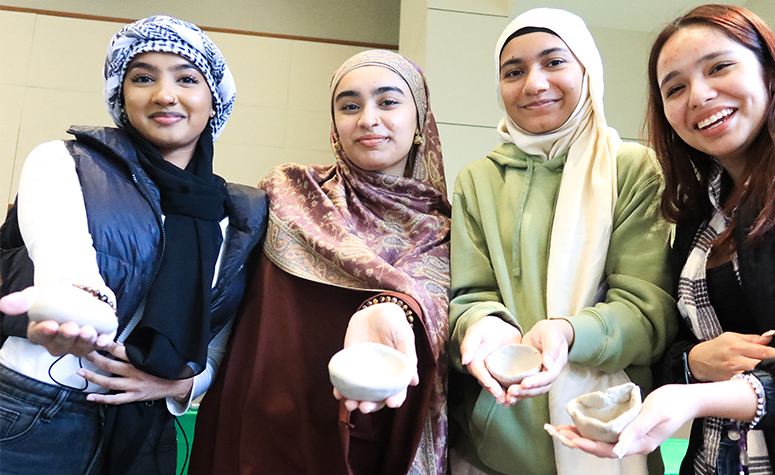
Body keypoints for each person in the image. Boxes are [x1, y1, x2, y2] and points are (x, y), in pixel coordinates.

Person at [546, 5, 775, 475]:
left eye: (719, 67)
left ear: (770, 69)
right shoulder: (698, 213)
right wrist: (693, 362)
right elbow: (673, 346)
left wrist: (702, 396)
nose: (700, 95)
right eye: (676, 88)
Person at [0, 15, 267, 475]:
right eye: (143, 77)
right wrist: (76, 306)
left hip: (144, 432)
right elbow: (63, 252)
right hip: (30, 409)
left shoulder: (241, 213)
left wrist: (179, 387)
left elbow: (220, 334)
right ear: (122, 96)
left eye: (187, 78)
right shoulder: (66, 162)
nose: (165, 94)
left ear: (214, 99)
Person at [188, 49, 451, 475]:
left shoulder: (443, 227)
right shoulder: (290, 191)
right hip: (262, 430)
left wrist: (395, 307)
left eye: (388, 102)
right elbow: (226, 297)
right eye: (350, 106)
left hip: (373, 439)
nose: (367, 119)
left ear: (419, 120)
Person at [448, 8, 677, 475]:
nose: (534, 84)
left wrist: (568, 335)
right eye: (514, 71)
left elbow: (648, 315)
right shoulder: (478, 180)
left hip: (609, 439)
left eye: (554, 62)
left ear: (587, 71)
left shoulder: (632, 168)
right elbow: (467, 295)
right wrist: (480, 324)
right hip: (496, 445)